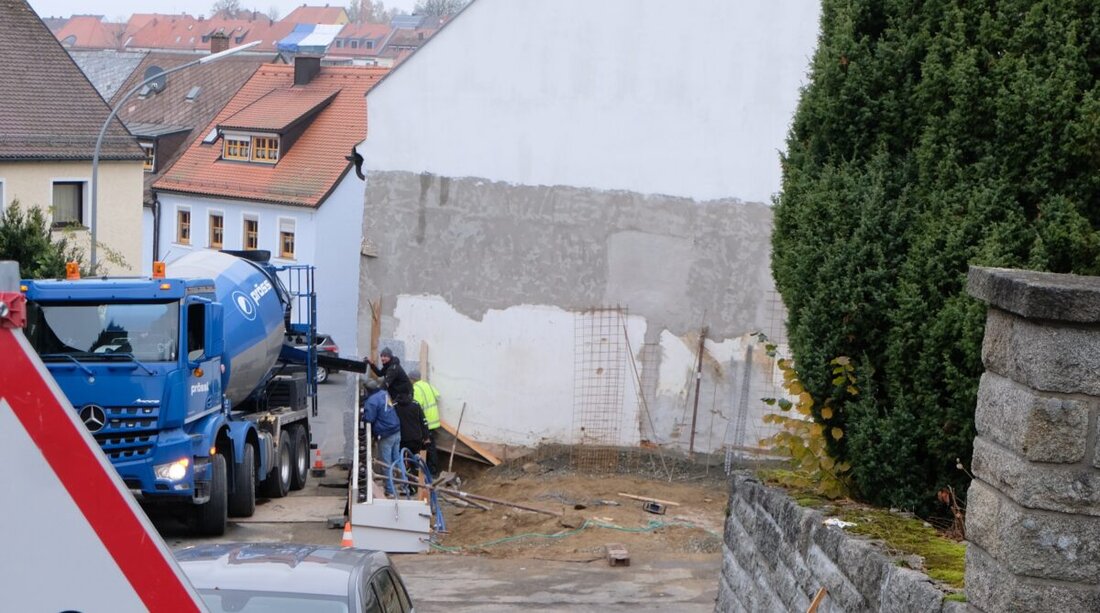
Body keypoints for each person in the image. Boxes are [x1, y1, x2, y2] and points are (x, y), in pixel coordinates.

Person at [361, 382, 402, 497]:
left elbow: (369, 418)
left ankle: (390, 490)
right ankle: (405, 486)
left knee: (386, 463)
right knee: (397, 459)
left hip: (386, 434)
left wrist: (364, 415)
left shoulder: (371, 401)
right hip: (396, 430)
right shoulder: (384, 393)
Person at [394, 394, 431, 494]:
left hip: (403, 439)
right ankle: (419, 485)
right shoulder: (415, 404)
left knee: (405, 463)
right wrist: (426, 436)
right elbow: (423, 421)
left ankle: (410, 487)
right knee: (416, 462)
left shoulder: (395, 406)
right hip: (416, 438)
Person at [409, 369, 442, 476]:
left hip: (426, 422)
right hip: (434, 420)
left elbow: (416, 405)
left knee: (428, 448)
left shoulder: (415, 388)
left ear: (412, 379)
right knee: (430, 447)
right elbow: (437, 396)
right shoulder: (427, 385)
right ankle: (431, 471)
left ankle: (432, 472)